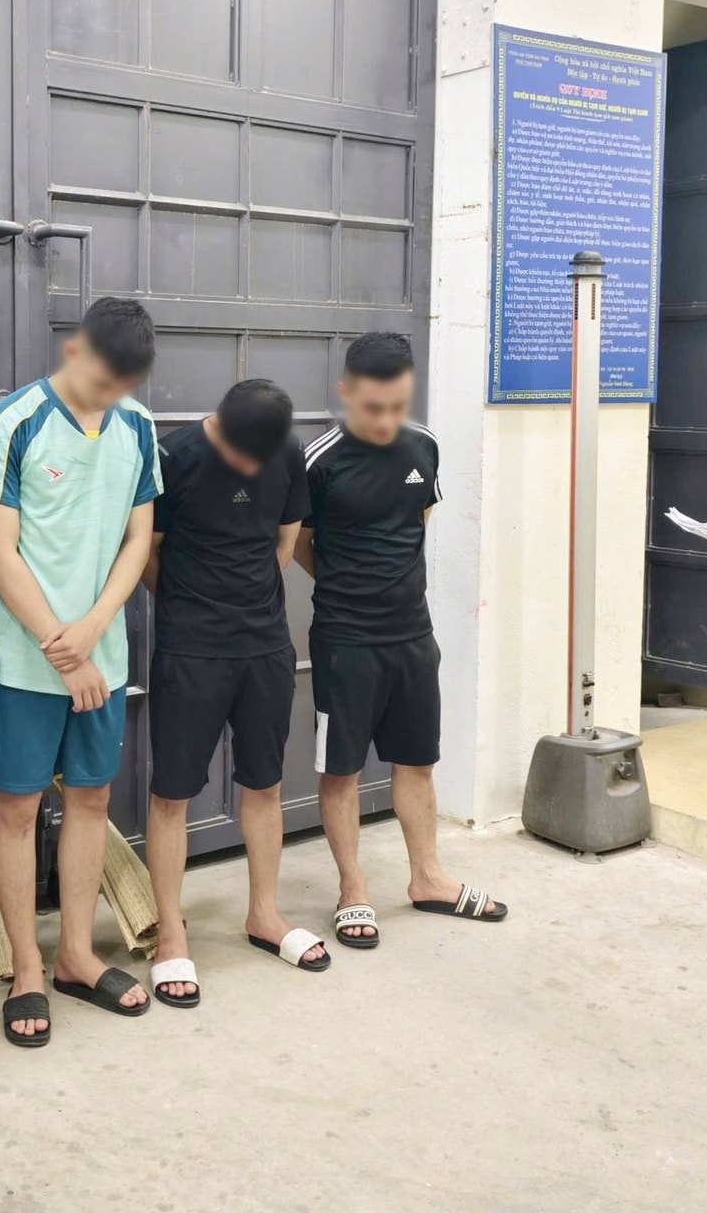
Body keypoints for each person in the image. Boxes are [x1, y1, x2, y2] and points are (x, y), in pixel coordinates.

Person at [0, 296, 161, 1043]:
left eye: (124, 383)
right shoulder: (13, 422)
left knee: (91, 799)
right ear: (75, 350)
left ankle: (76, 955)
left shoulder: (138, 427)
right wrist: (60, 643)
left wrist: (92, 632)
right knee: (17, 809)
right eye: (103, 377)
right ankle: (26, 968)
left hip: (100, 655)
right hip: (24, 661)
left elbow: (138, 541)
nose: (111, 394)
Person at [296, 331, 505, 949]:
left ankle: (428, 877)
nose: (386, 420)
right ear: (346, 393)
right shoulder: (318, 461)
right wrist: (348, 583)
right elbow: (300, 543)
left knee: (417, 760)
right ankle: (352, 888)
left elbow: (416, 524)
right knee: (342, 767)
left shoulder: (424, 446)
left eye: (396, 405)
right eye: (372, 407)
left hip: (412, 633)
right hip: (345, 640)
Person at [143, 379, 330, 1005]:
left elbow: (285, 540)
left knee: (265, 784)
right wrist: (191, 607)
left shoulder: (287, 451)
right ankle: (171, 932)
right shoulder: (174, 456)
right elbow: (148, 551)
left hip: (265, 647)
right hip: (190, 650)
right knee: (172, 794)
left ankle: (264, 914)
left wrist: (245, 604)